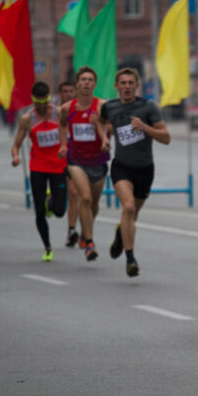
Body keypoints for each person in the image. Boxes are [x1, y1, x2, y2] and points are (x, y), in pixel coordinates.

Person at [97, 68, 171, 277]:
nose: (127, 86)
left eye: (131, 83)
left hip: (145, 169)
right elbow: (100, 121)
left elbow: (166, 137)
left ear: (136, 86)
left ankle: (121, 233)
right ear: (116, 86)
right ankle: (130, 258)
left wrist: (145, 128)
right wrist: (104, 138)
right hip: (121, 166)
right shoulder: (109, 107)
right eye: (123, 83)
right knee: (128, 207)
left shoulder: (147, 107)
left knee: (132, 215)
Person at [11, 82, 67, 261]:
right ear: (33, 101)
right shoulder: (28, 119)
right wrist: (15, 156)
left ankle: (50, 200)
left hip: (58, 165)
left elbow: (67, 134)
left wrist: (65, 147)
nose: (42, 106)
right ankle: (48, 247)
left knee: (59, 211)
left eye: (45, 102)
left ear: (49, 98)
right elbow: (16, 144)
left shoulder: (58, 114)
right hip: (38, 167)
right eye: (38, 103)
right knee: (39, 212)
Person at [58, 66, 109, 262]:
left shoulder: (102, 106)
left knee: (94, 205)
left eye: (90, 80)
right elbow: (62, 125)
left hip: (98, 160)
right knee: (85, 198)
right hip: (76, 160)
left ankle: (84, 232)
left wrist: (103, 136)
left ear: (95, 85)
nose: (86, 83)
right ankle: (90, 243)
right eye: (83, 80)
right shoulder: (66, 108)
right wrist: (63, 145)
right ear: (77, 84)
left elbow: (110, 126)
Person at [59, 81, 80, 247]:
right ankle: (50, 199)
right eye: (65, 91)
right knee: (58, 202)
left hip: (73, 158)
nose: (68, 94)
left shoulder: (77, 111)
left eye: (71, 91)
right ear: (60, 94)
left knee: (73, 193)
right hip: (53, 162)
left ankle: (71, 230)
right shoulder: (54, 113)